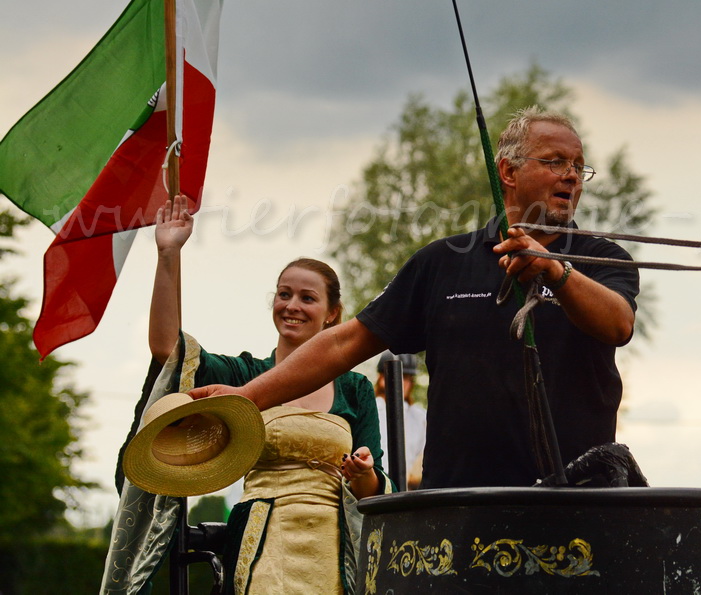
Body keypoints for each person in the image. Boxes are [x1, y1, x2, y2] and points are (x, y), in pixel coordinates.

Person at [192, 106, 640, 489]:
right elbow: (346, 343)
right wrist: (247, 397)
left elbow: (618, 324)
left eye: (578, 166)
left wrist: (556, 271)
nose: (571, 176)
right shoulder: (442, 262)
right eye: (556, 162)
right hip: (459, 505)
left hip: (578, 502)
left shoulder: (604, 260)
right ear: (508, 172)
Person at [148, 195, 387, 594]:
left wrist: (364, 474)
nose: (292, 306)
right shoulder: (245, 376)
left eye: (307, 298)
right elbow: (166, 350)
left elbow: (373, 490)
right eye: (283, 294)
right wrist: (168, 253)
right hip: (260, 546)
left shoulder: (355, 389)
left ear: (332, 313)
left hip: (337, 551)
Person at [374, 351, 428, 489]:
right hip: (377, 485)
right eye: (400, 376)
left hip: (409, 489)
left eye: (407, 378)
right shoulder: (371, 409)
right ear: (382, 378)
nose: (402, 382)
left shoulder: (420, 417)